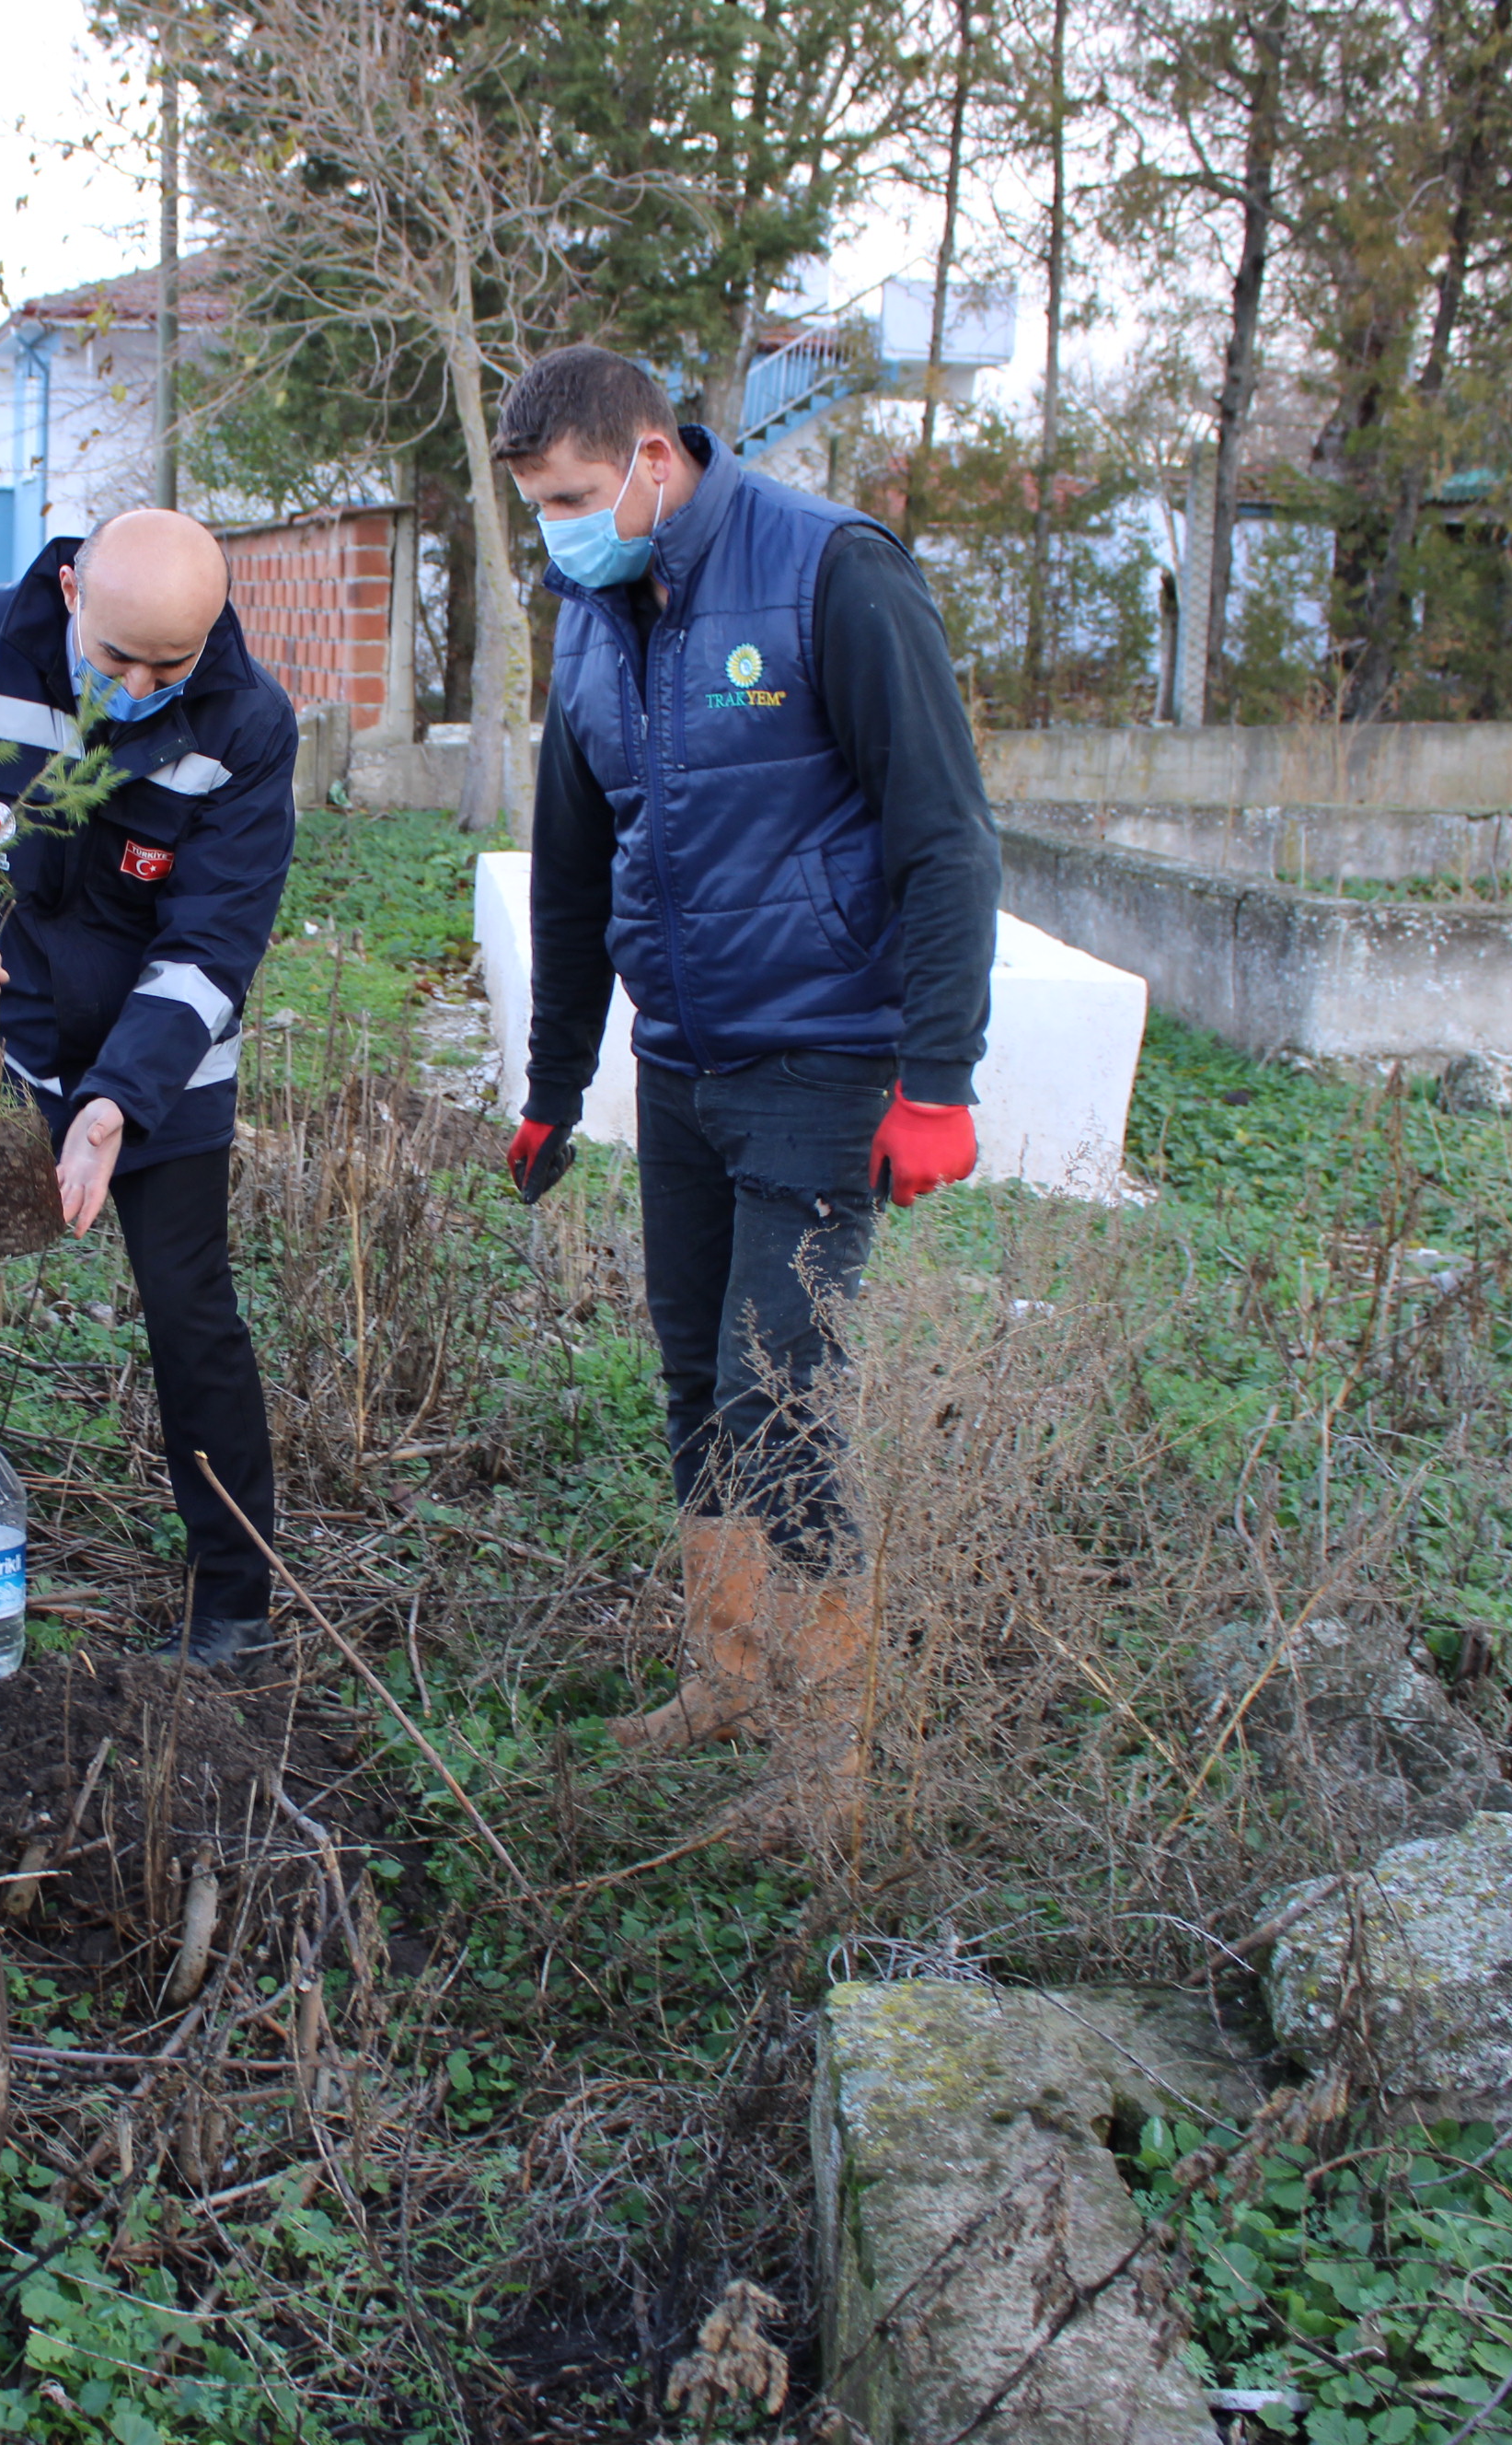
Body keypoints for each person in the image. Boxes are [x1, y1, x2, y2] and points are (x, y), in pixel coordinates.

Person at [492, 346, 998, 1836]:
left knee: (778, 1402)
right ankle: (717, 1677)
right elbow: (574, 878)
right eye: (537, 509)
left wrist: (938, 1078)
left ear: (656, 457)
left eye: (575, 498)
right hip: (679, 1067)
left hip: (822, 1060)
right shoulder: (593, 622)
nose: (558, 532)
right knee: (690, 1389)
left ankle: (822, 1762)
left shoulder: (828, 573)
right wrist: (551, 1084)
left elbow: (941, 835)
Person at [0, 510, 298, 1666]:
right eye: (115, 659)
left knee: (192, 1318)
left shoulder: (246, 721)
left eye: (169, 667)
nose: (140, 686)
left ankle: (234, 1602)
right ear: (69, 589)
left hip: (164, 1062)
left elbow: (215, 941)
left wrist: (116, 1103)